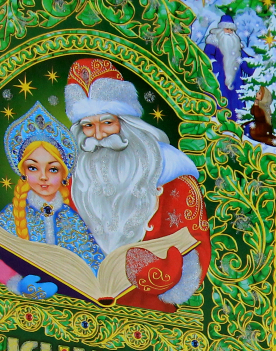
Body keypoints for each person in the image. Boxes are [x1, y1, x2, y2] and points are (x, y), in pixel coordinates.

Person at [64, 57, 211, 312]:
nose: (98, 136)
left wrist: (157, 270)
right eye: (88, 126)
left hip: (148, 313)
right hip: (80, 307)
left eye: (107, 123)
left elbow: (194, 250)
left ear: (127, 123)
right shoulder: (77, 181)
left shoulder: (174, 180)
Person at [0, 102, 104, 298]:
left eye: (53, 169)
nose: (43, 177)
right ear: (23, 172)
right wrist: (17, 282)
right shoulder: (11, 215)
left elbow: (93, 263)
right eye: (33, 168)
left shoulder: (72, 219)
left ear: (64, 175)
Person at [205, 14, 245, 118]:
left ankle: (238, 123)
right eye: (227, 29)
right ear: (221, 29)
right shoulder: (214, 42)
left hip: (236, 81)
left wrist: (254, 68)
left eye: (231, 30)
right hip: (220, 79)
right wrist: (214, 64)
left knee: (236, 104)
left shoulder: (237, 45)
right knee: (221, 100)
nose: (229, 32)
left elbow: (245, 60)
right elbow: (207, 56)